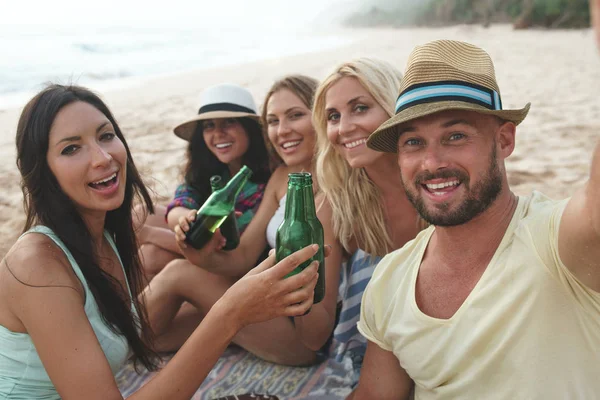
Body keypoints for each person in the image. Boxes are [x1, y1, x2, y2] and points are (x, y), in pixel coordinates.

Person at [0, 84, 321, 400]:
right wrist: (229, 313)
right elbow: (181, 209)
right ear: (42, 170)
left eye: (106, 136)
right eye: (71, 148)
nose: (102, 158)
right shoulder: (36, 266)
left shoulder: (104, 238)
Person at [353, 39, 600, 399]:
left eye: (455, 136)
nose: (432, 163)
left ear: (503, 140)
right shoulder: (390, 279)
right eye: (413, 143)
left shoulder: (560, 240)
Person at [145, 75, 332, 366]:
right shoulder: (283, 176)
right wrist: (201, 254)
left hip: (302, 336)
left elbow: (316, 326)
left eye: (295, 116)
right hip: (267, 306)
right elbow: (242, 256)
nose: (282, 131)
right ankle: (102, 341)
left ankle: (100, 342)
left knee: (176, 272)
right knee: (155, 337)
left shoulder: (332, 192)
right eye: (273, 121)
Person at [310, 57, 423, 387]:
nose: (343, 128)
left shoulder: (440, 187)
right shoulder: (336, 208)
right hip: (363, 365)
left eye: (360, 108)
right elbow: (314, 335)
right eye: (333, 116)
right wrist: (299, 284)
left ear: (394, 106)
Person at [137, 83, 272, 280]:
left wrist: (150, 234)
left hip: (241, 268)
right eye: (209, 125)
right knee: (141, 214)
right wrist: (188, 218)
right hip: (204, 248)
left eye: (229, 122)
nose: (218, 133)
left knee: (152, 255)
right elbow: (180, 203)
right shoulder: (207, 169)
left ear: (250, 129)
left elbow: (224, 246)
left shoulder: (266, 180)